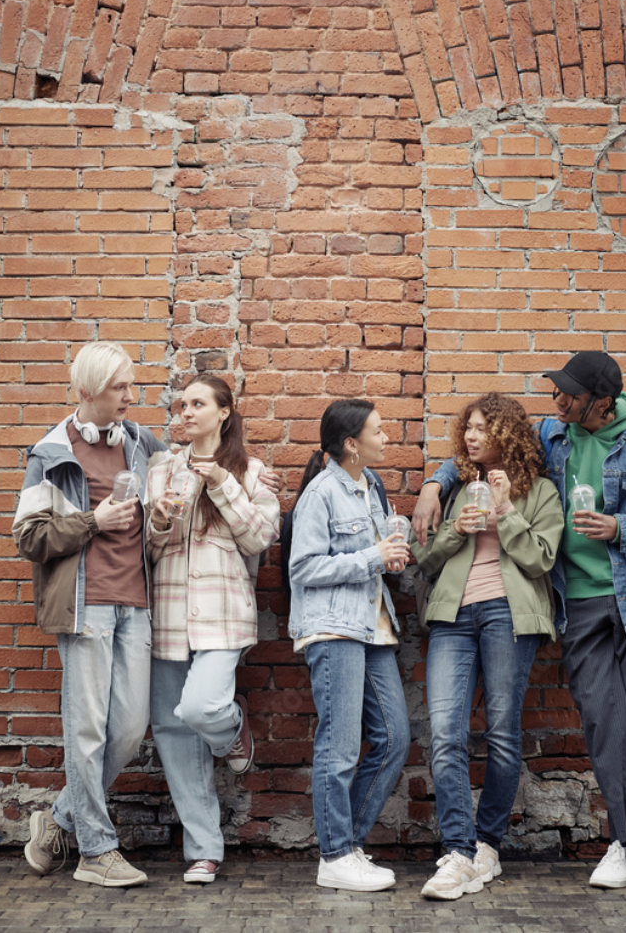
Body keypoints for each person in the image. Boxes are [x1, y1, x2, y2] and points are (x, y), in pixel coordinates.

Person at [412, 351, 626, 895]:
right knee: (600, 716)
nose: (556, 401)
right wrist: (433, 483)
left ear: (601, 404)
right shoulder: (553, 433)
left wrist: (621, 525)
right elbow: (484, 443)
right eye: (556, 392)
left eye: (568, 394)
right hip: (579, 602)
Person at [13, 342, 166, 887]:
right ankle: (96, 852)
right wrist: (90, 521)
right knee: (87, 732)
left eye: (131, 385)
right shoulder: (51, 453)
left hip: (136, 602)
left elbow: (183, 482)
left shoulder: (142, 442)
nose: (132, 396)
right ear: (88, 392)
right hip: (86, 607)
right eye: (120, 388)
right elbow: (28, 538)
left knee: (127, 729)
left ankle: (57, 818)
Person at [412, 394, 564, 901]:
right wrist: (456, 529)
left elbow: (542, 560)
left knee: (501, 733)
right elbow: (426, 560)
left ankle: (487, 845)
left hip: (509, 615)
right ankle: (457, 851)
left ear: (507, 435)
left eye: (482, 429)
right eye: (469, 429)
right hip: (453, 617)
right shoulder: (457, 487)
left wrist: (505, 511)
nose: (472, 437)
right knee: (445, 734)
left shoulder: (541, 491)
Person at [145, 375, 279, 885]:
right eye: (182, 405)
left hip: (223, 612)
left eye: (198, 404)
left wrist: (223, 484)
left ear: (224, 411)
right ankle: (203, 850)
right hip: (169, 612)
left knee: (201, 708)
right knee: (175, 733)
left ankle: (233, 730)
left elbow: (260, 538)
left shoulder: (251, 470)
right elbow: (149, 551)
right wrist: (157, 521)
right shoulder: (161, 468)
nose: (186, 412)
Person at [288, 399, 411, 893]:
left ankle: (348, 845)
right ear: (351, 444)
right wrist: (370, 557)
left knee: (394, 738)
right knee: (339, 747)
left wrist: (392, 554)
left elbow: (375, 555)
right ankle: (335, 855)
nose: (387, 438)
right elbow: (304, 568)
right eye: (378, 432)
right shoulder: (320, 494)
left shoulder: (372, 486)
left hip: (374, 627)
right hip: (335, 628)